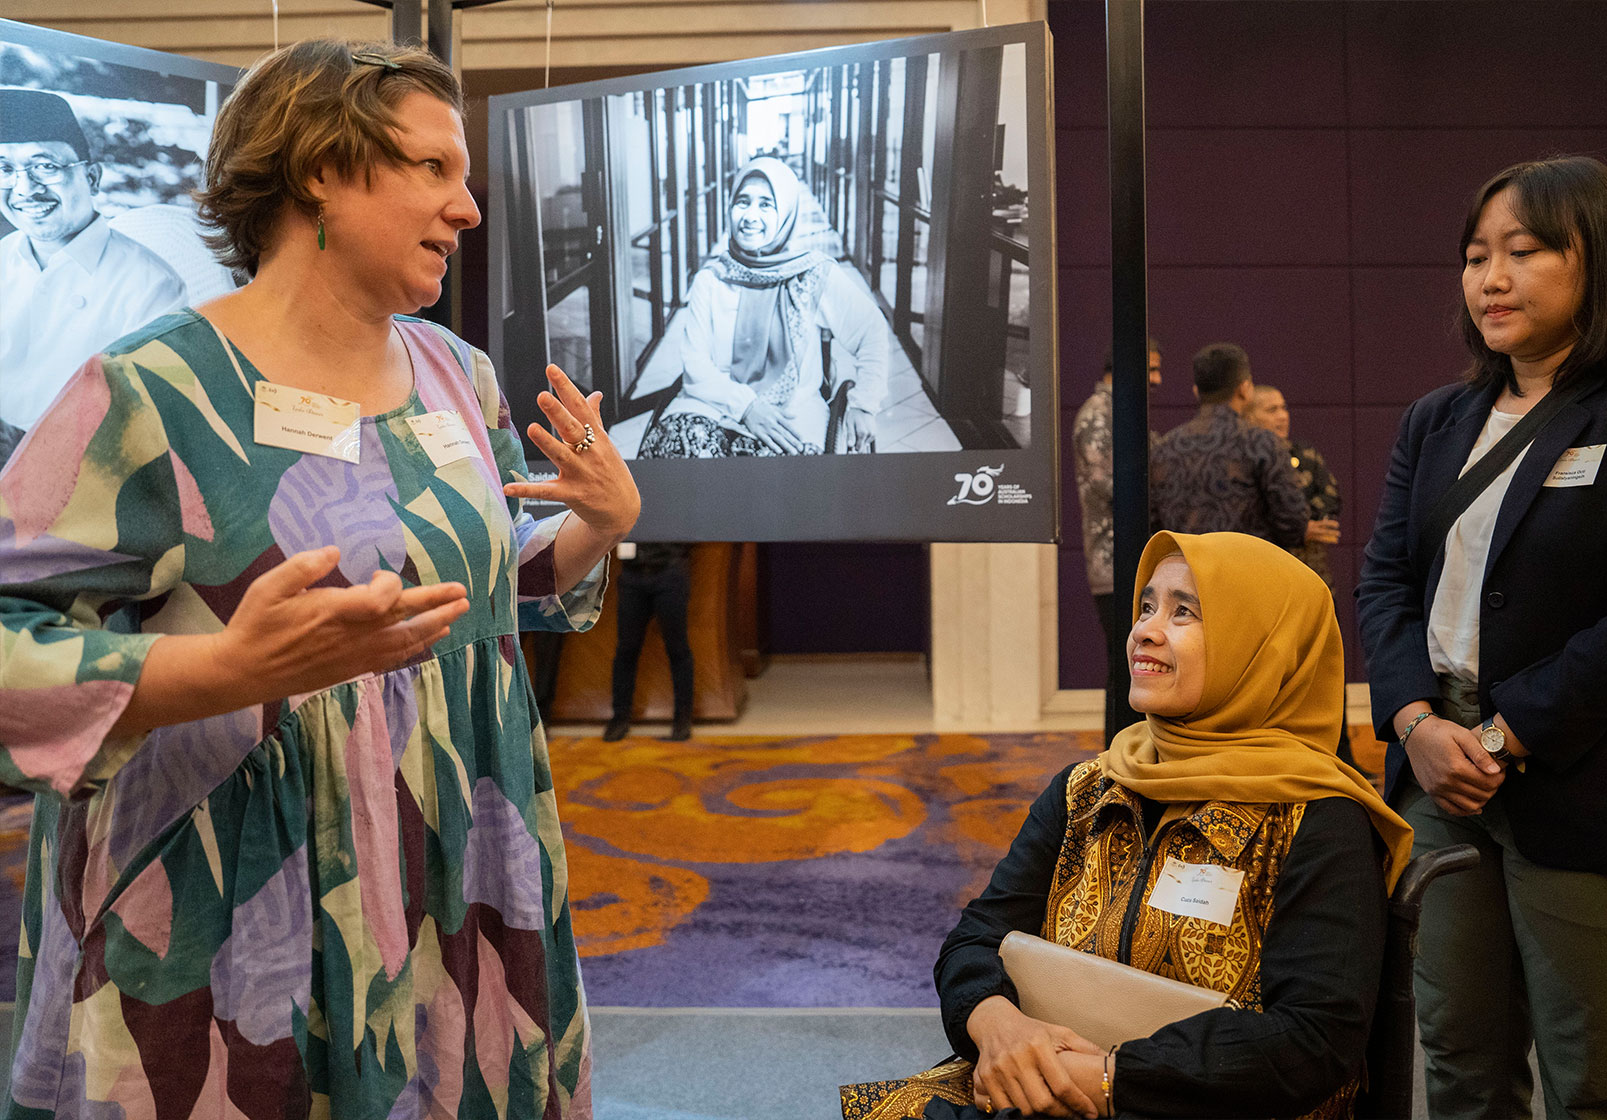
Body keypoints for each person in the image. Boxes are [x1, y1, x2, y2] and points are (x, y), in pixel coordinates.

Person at [0, 39, 639, 1116]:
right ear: (321, 172)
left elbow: (474, 588)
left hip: (451, 866)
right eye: (433, 169)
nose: (468, 207)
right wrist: (221, 668)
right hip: (234, 894)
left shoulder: (454, 370)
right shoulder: (150, 389)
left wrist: (597, 525)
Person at [844, 531, 1411, 1120]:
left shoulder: (1318, 819)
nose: (1145, 629)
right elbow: (977, 937)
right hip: (1044, 1078)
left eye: (1184, 611)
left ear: (1261, 647)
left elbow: (1312, 1041)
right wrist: (999, 1027)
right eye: (1146, 606)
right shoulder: (1088, 788)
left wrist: (1110, 1078)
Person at [1356, 155, 1607, 1119]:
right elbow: (1383, 583)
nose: (1490, 278)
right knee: (1457, 1062)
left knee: (1599, 1085)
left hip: (1590, 786)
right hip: (1438, 785)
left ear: (1599, 259)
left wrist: (1501, 739)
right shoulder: (1437, 420)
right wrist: (1415, 722)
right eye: (1474, 256)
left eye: (1524, 251)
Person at [638, 156, 888, 458]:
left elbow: (871, 332)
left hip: (791, 417)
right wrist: (747, 406)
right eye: (742, 202)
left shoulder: (814, 275)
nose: (750, 216)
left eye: (766, 204)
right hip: (711, 407)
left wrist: (864, 404)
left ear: (786, 212)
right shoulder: (711, 280)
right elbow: (696, 366)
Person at [0, 88, 188, 430]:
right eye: (4, 169)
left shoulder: (152, 287)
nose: (25, 188)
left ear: (92, 178)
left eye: (45, 166)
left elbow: (147, 424)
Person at [1075, 338, 1162, 748]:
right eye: (1152, 370)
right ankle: (1117, 757)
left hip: (1131, 561)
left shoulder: (1124, 413)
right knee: (1124, 668)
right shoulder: (1099, 415)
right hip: (1114, 563)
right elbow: (1107, 484)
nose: (1158, 380)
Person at [1148, 343, 1308, 548]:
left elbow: (1152, 527)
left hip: (1186, 574)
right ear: (1245, 389)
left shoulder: (1163, 448)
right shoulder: (1262, 443)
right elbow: (1294, 525)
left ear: (1196, 391)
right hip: (1247, 573)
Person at [1244, 385, 1341, 589]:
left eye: (1284, 408)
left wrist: (1300, 523)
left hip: (1310, 570)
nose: (1282, 416)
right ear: (1249, 417)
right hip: (1263, 570)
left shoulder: (1304, 452)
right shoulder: (1242, 461)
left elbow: (1331, 496)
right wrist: (1298, 529)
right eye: (1272, 410)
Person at [603, 542, 694, 743]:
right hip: (631, 574)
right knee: (626, 650)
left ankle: (683, 718)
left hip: (670, 571)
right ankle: (620, 717)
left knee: (678, 649)